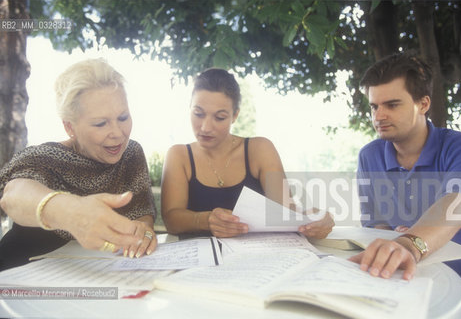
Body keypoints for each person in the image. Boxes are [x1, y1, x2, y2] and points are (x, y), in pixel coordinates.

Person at [348, 52, 461, 316]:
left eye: (392, 105)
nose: (379, 116)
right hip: (403, 278)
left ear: (423, 104)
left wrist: (410, 243)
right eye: (374, 106)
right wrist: (390, 239)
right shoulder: (369, 156)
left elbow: (458, 204)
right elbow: (376, 223)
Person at [0, 58, 158, 271]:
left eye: (123, 117)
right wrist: (70, 212)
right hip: (20, 273)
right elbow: (12, 195)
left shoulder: (131, 153)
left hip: (99, 276)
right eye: (101, 123)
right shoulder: (42, 157)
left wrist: (144, 231)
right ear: (70, 127)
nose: (118, 133)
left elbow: (142, 212)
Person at [161, 68, 334, 238]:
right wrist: (205, 220)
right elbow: (171, 220)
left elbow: (285, 213)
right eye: (198, 114)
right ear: (189, 109)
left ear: (235, 115)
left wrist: (316, 218)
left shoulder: (260, 150)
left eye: (219, 117)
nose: (206, 127)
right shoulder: (179, 155)